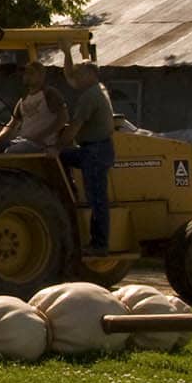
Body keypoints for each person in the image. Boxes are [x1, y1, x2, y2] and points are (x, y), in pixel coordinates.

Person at [58, 41, 116, 255]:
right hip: (93, 149)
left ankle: (100, 245)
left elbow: (74, 129)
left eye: (81, 74)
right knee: (63, 158)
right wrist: (66, 53)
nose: (77, 78)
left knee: (97, 198)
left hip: (96, 151)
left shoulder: (90, 96)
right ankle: (69, 189)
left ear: (91, 75)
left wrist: (55, 145)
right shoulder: (94, 89)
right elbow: (70, 77)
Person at [0, 60, 68, 154]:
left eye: (31, 73)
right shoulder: (24, 98)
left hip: (42, 144)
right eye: (25, 73)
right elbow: (12, 123)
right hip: (23, 141)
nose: (26, 76)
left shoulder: (49, 94)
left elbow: (63, 119)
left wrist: (41, 136)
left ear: (41, 76)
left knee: (10, 152)